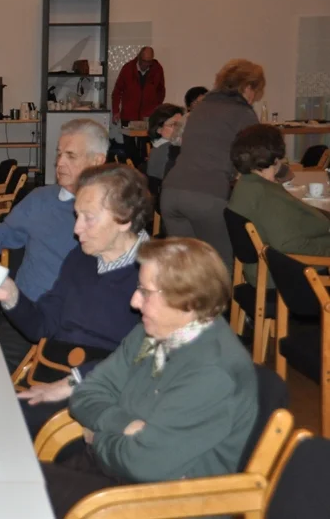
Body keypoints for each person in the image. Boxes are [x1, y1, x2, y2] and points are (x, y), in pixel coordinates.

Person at [42, 238, 257, 518]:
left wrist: (98, 435)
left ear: (187, 302)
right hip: (113, 478)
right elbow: (88, 392)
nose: (134, 301)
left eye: (145, 291)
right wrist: (125, 424)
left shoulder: (212, 373)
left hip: (159, 503)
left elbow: (144, 463)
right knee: (7, 482)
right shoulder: (152, 332)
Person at [0, 164, 151, 435]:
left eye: (88, 218)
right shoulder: (79, 259)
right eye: (77, 215)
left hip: (99, 400)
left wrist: (70, 384)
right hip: (48, 376)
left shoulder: (154, 275)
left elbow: (144, 360)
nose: (77, 229)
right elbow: (41, 326)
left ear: (125, 218)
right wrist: (12, 297)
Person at [0, 118, 108, 369]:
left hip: (77, 328)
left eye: (71, 156)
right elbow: (1, 235)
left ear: (97, 161)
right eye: (58, 154)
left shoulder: (113, 214)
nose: (60, 163)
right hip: (24, 316)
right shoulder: (40, 200)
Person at [161, 59, 265, 270]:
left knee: (185, 267)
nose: (254, 97)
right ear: (247, 87)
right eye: (255, 90)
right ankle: (219, 304)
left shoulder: (200, 108)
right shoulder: (243, 113)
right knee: (218, 266)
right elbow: (259, 155)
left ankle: (182, 304)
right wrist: (282, 172)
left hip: (171, 192)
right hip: (207, 196)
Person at [228, 124, 330, 286]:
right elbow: (289, 245)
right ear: (276, 157)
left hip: (264, 269)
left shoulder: (247, 183)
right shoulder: (264, 193)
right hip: (281, 277)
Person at [111, 47, 166, 166]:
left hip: (148, 116)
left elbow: (161, 90)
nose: (146, 65)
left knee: (146, 147)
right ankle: (133, 170)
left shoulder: (157, 69)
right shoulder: (127, 69)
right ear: (139, 58)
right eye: (144, 61)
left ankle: (144, 171)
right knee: (129, 147)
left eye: (149, 62)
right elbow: (117, 91)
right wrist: (116, 111)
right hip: (128, 114)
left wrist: (156, 108)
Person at [145, 103, 185, 181]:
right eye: (173, 124)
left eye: (181, 124)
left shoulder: (158, 146)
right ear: (159, 129)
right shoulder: (170, 149)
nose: (180, 128)